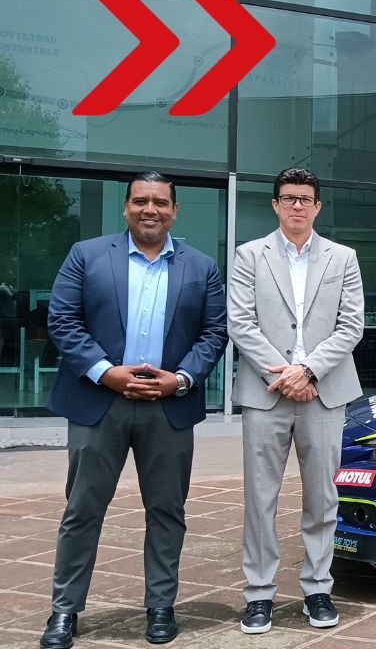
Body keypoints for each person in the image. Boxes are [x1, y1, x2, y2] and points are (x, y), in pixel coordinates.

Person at [40, 171, 228, 648]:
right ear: (126, 207)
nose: (150, 210)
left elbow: (214, 332)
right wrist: (106, 372)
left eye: (160, 202)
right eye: (141, 201)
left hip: (168, 407)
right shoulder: (86, 255)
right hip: (98, 402)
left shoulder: (202, 266)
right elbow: (62, 320)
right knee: (82, 509)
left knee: (167, 511)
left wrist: (180, 379)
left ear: (174, 211)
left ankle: (161, 606)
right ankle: (64, 610)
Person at [228, 167, 365, 634]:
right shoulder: (250, 255)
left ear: (318, 206)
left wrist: (308, 371)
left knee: (323, 497)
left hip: (324, 392)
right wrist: (286, 373)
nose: (297, 206)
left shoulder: (343, 258)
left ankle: (318, 588)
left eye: (305, 199)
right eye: (288, 198)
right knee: (259, 497)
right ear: (275, 205)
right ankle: (258, 594)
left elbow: (351, 325)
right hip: (266, 392)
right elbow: (240, 323)